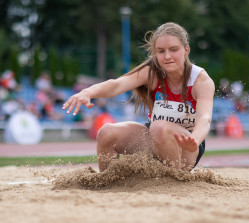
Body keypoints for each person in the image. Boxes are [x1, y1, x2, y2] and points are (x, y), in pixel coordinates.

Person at [62, 22, 215, 172]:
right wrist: (88, 92)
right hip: (153, 137)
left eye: (173, 50)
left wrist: (194, 140)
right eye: (161, 51)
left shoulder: (201, 81)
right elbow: (117, 85)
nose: (167, 56)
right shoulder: (152, 72)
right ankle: (109, 183)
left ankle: (173, 180)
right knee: (106, 132)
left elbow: (205, 118)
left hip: (187, 146)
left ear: (186, 50)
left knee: (159, 127)